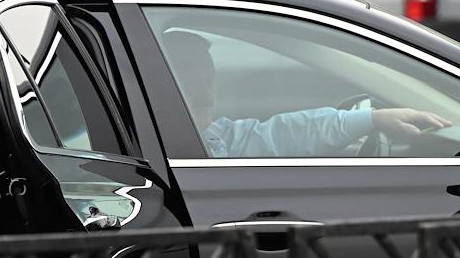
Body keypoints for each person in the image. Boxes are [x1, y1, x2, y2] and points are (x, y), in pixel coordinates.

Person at [161, 30, 450, 158]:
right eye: (190, 82)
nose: (206, 95)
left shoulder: (215, 138)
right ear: (164, 85)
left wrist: (373, 119)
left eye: (209, 80)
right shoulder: (162, 151)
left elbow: (283, 134)